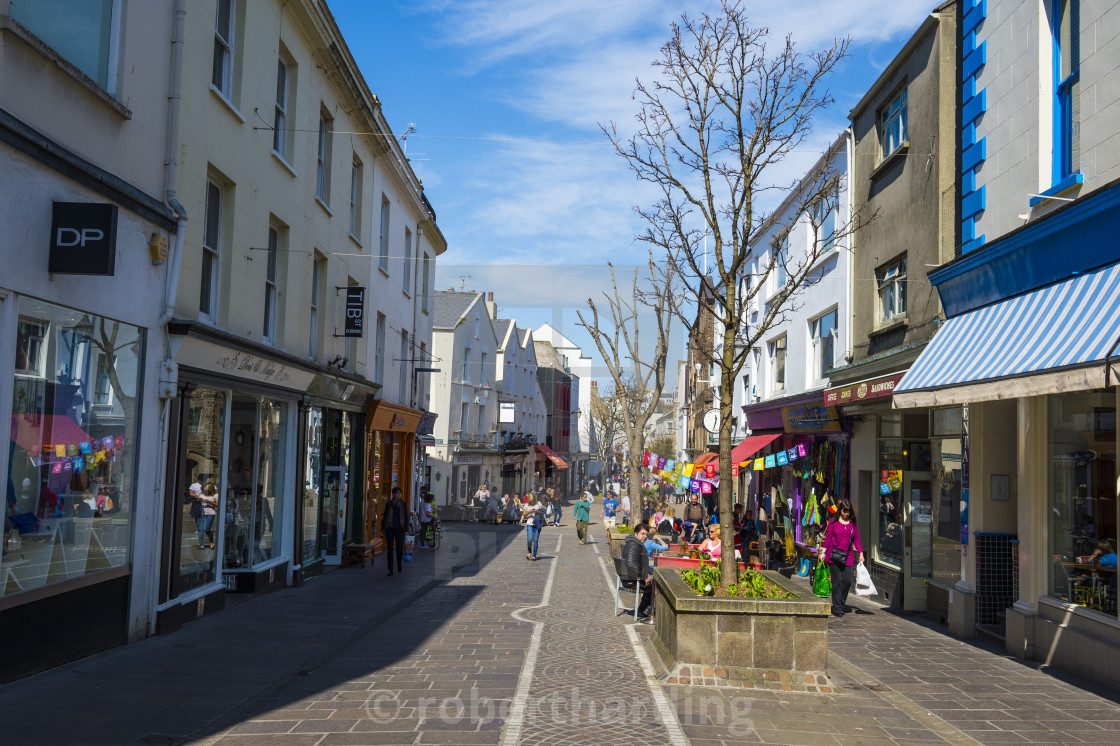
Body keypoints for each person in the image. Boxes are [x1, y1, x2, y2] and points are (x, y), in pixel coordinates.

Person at [818, 498, 865, 617]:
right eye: (844, 511)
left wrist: (860, 553)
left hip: (847, 557)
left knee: (848, 580)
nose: (846, 514)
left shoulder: (853, 524)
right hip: (833, 556)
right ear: (840, 511)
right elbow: (828, 538)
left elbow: (857, 539)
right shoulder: (833, 522)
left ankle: (841, 602)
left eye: (848, 512)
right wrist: (823, 552)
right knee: (836, 582)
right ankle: (837, 607)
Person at [623, 524, 655, 622]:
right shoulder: (633, 544)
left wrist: (650, 572)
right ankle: (647, 611)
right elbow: (630, 563)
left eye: (646, 534)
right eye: (642, 534)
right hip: (631, 579)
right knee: (656, 585)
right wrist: (645, 575)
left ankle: (645, 609)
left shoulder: (635, 543)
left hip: (634, 576)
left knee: (655, 579)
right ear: (636, 534)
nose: (645, 536)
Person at [381, 486, 407, 576]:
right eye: (397, 493)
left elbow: (406, 517)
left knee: (399, 549)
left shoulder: (403, 504)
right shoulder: (389, 504)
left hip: (400, 529)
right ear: (393, 494)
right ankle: (390, 569)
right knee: (390, 550)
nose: (399, 494)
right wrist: (382, 528)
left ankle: (399, 564)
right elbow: (385, 516)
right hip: (390, 529)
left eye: (400, 493)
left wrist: (406, 529)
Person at [195, 482, 219, 549]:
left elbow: (217, 504)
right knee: (200, 529)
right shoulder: (200, 493)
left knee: (206, 528)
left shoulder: (215, 495)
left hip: (210, 513)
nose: (205, 491)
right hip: (200, 513)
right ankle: (201, 545)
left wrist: (209, 502)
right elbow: (195, 500)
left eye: (206, 490)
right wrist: (198, 500)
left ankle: (211, 540)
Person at [522, 493, 544, 560]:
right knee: (529, 539)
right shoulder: (526, 505)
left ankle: (534, 555)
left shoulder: (538, 503)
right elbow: (524, 515)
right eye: (532, 500)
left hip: (537, 524)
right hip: (529, 523)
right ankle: (529, 551)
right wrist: (529, 511)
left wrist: (537, 511)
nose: (533, 501)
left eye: (534, 500)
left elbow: (543, 512)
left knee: (536, 539)